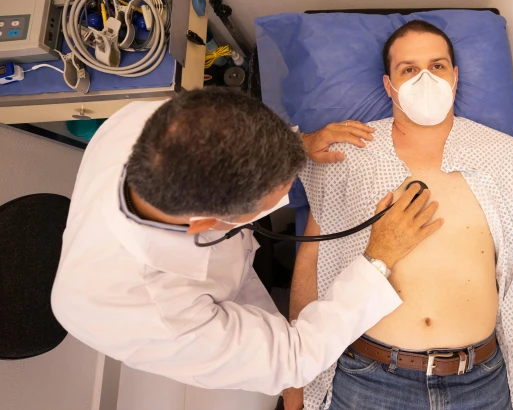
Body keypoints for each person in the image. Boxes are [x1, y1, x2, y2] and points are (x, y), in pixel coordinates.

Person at [51, 88, 443, 395]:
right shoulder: (159, 315)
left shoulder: (143, 118)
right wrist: (378, 259)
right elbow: (292, 358)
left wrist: (296, 146)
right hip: (157, 317)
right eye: (280, 190)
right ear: (206, 222)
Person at [284, 20, 513, 410]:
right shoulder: (348, 152)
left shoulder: (502, 154)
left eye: (437, 66)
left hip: (481, 383)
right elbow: (312, 261)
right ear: (389, 85)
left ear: (454, 76)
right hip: (370, 379)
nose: (426, 78)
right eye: (409, 69)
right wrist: (295, 389)